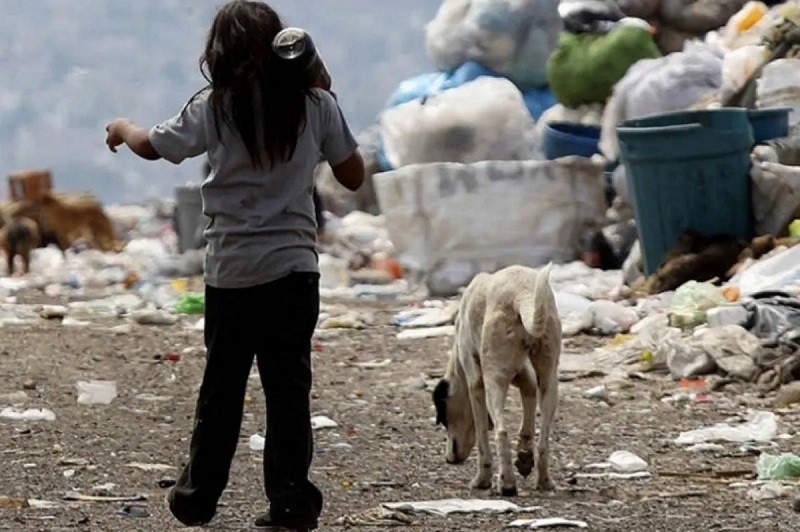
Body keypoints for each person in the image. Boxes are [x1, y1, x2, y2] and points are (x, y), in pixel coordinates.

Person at [104, 1, 364, 529]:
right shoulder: (314, 104)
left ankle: (197, 498)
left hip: (232, 272)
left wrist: (122, 127)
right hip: (295, 271)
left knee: (221, 390)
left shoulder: (215, 106)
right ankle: (290, 504)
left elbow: (155, 147)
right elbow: (354, 175)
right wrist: (326, 90)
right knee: (288, 392)